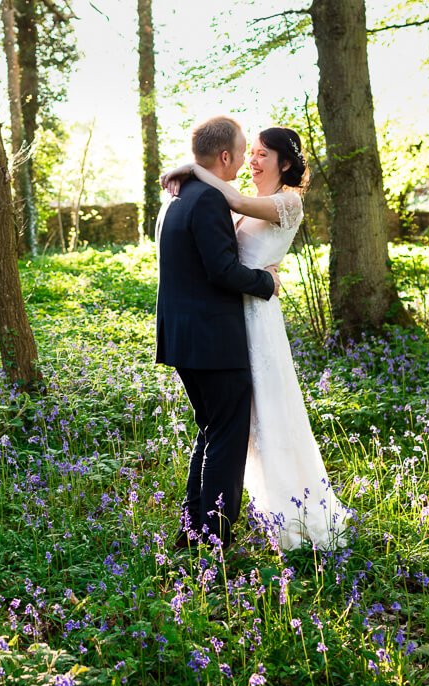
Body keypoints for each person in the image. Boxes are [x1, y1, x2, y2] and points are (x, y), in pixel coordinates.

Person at [161, 126, 349, 551]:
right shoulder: (237, 204)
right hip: (228, 319)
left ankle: (287, 514)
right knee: (225, 427)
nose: (253, 160)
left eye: (263, 154)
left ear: (285, 162)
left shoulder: (287, 202)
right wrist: (191, 170)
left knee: (262, 418)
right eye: (252, 152)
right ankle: (205, 527)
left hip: (255, 318)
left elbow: (231, 199)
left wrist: (190, 167)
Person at [155, 116, 280, 550]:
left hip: (186, 340)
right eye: (244, 151)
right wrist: (267, 282)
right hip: (213, 343)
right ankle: (215, 540)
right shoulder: (206, 199)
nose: (247, 159)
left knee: (212, 433)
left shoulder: (179, 196)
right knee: (228, 439)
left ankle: (192, 533)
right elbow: (222, 270)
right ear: (225, 156)